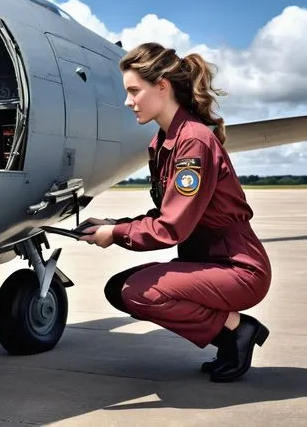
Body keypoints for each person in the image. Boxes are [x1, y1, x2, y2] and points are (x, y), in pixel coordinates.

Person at [78, 42, 272, 383]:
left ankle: (238, 329)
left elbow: (171, 228)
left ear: (162, 87)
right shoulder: (165, 141)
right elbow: (169, 212)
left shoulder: (192, 141)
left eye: (135, 91)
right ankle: (231, 338)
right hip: (204, 263)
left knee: (139, 291)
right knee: (118, 288)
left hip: (237, 268)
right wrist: (115, 224)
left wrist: (115, 235)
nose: (128, 101)